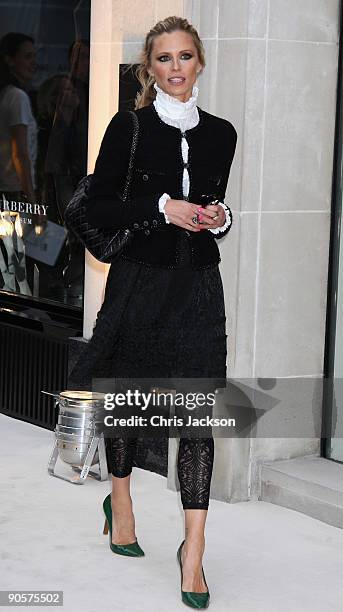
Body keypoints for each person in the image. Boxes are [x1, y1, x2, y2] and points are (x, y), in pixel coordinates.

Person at [68, 15, 237, 609]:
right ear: (150, 67)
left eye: (184, 57)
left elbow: (215, 200)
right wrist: (164, 207)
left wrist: (218, 217)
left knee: (197, 415)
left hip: (196, 288)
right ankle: (122, 502)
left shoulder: (222, 133)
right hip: (140, 282)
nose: (175, 69)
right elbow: (104, 207)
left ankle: (193, 552)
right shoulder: (130, 126)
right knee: (129, 396)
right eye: (163, 59)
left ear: (200, 62)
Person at [0, 32, 38, 295]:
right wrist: (33, 198)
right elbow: (20, 152)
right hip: (14, 195)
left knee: (8, 265)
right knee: (13, 267)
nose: (33, 62)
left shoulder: (7, 95)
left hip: (7, 192)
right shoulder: (17, 97)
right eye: (28, 56)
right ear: (10, 61)